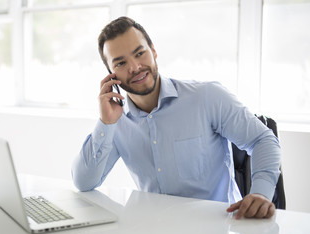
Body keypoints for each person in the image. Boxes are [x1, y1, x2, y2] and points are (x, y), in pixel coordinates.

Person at [71, 16, 281, 219]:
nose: (134, 67)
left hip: (218, 229)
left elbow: (262, 139)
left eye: (139, 53)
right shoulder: (116, 122)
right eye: (120, 63)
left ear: (153, 51)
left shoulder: (207, 97)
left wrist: (260, 193)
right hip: (156, 230)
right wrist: (105, 123)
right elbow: (84, 182)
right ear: (110, 74)